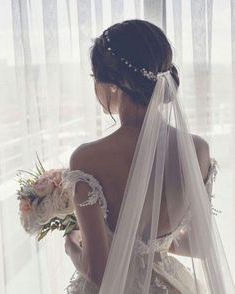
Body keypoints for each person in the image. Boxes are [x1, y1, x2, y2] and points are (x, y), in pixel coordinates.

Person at [62, 19, 235, 293]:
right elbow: (200, 245)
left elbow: (100, 274)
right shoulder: (197, 150)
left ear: (113, 84)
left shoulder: (87, 159)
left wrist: (71, 244)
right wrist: (156, 245)